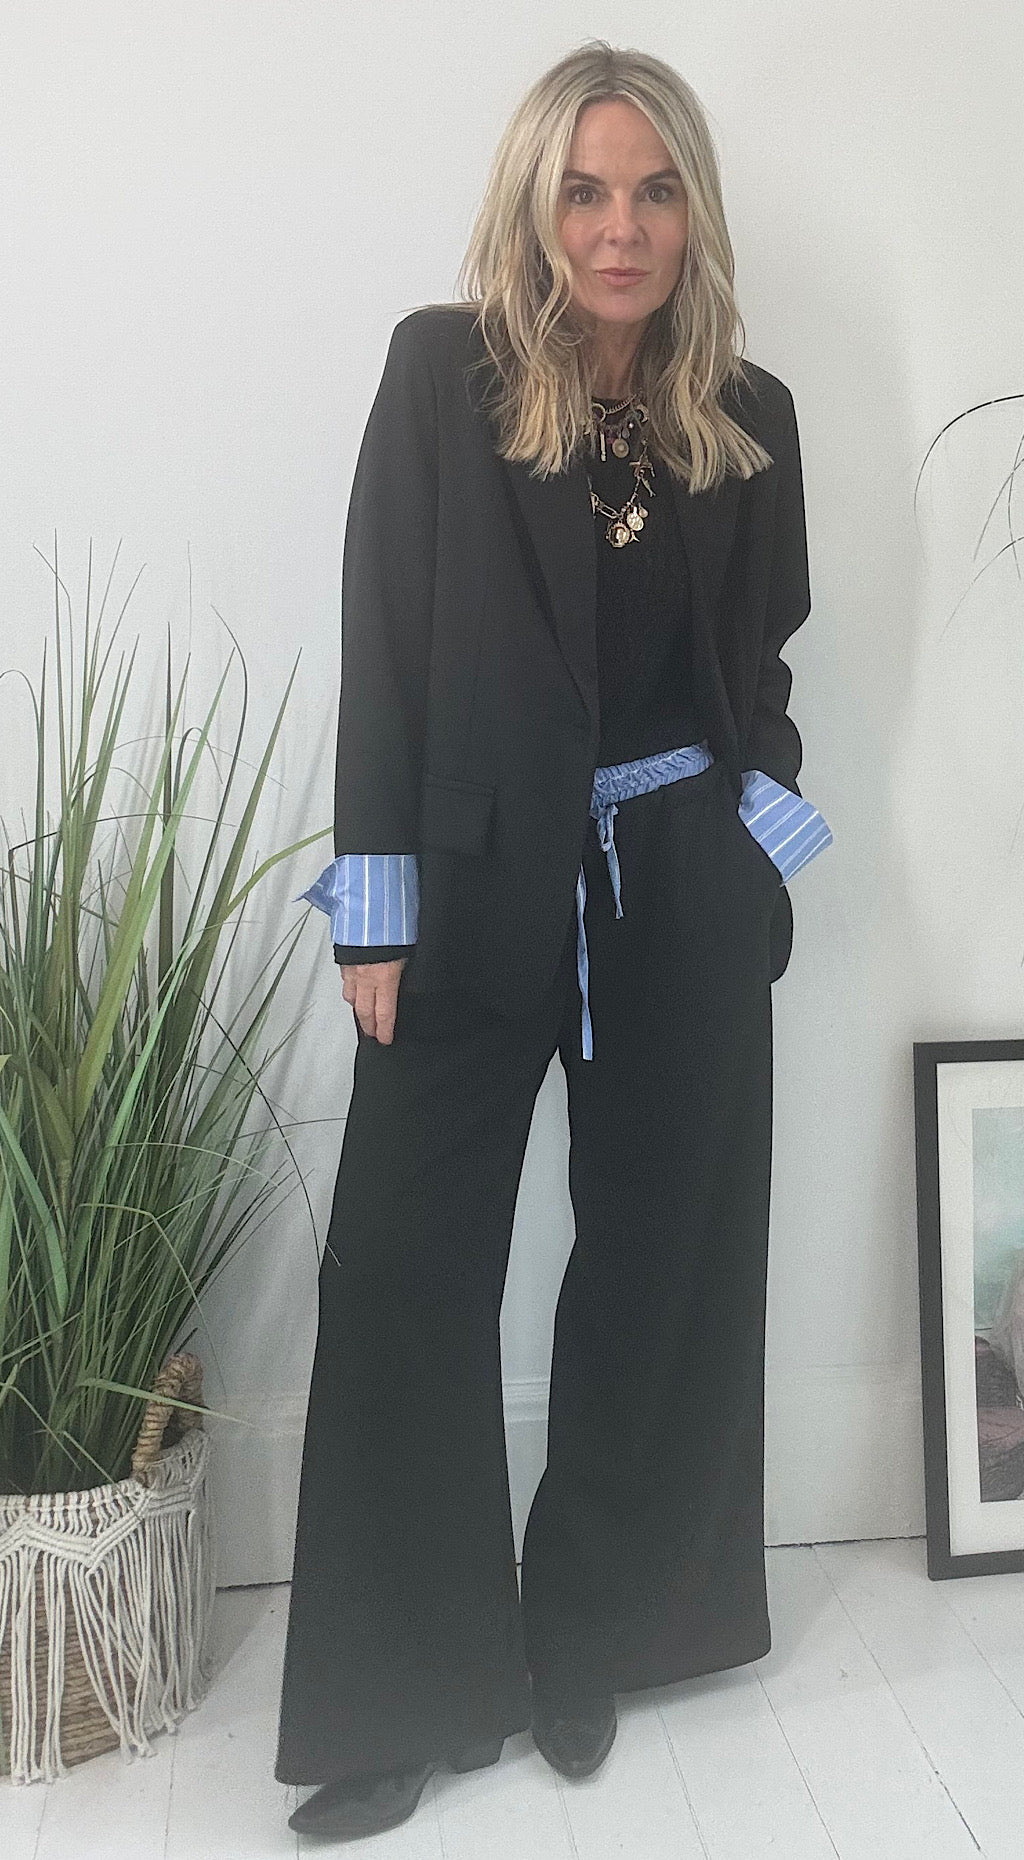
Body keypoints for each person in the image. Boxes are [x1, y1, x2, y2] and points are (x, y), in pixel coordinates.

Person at [274, 39, 833, 1843]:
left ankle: (599, 1629)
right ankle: (408, 1689)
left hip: (679, 883)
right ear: (536, 204)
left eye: (655, 192)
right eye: (586, 191)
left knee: (662, 1267)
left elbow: (761, 669)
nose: (621, 228)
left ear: (694, 212)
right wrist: (376, 903)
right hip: (470, 879)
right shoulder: (442, 376)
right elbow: (384, 641)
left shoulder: (749, 412)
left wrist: (755, 854)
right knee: (401, 1275)